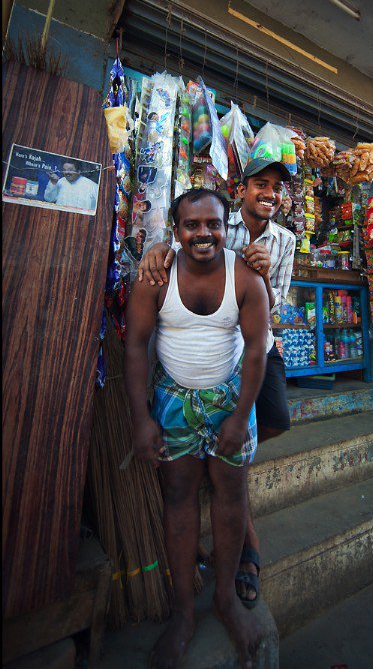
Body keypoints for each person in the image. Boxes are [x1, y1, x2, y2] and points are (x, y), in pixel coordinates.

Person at [138, 157, 296, 609]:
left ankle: (224, 468)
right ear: (242, 190)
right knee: (203, 482)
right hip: (196, 372)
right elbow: (181, 243)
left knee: (277, 421)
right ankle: (243, 537)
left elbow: (273, 308)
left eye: (275, 189)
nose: (268, 193)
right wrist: (156, 251)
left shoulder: (283, 239)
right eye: (260, 185)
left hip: (256, 346)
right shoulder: (212, 220)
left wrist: (261, 273)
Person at [125, 188, 270, 669]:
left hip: (232, 400)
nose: (203, 233)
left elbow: (254, 351)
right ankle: (184, 612)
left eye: (212, 223)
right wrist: (142, 420)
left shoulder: (246, 275)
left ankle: (226, 599)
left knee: (231, 495)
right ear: (175, 227)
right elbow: (135, 347)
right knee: (180, 498)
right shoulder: (156, 275)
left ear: (226, 226)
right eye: (191, 225)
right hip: (173, 405)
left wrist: (238, 415)